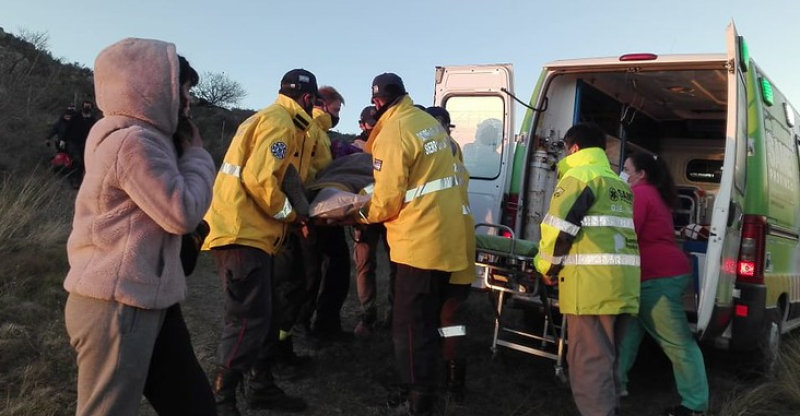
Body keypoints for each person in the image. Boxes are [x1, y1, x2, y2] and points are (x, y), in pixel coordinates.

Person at [63, 38, 217, 416]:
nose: (189, 99)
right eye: (183, 89)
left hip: (150, 299)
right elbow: (180, 211)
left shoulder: (149, 140)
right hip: (117, 305)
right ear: (154, 88)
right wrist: (197, 156)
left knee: (194, 405)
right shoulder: (132, 142)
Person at [202, 68, 318, 416]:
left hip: (251, 234)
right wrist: (291, 215)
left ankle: (261, 387)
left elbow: (285, 174)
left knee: (263, 318)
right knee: (247, 320)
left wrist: (299, 208)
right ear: (308, 99)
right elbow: (260, 180)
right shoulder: (281, 124)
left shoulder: (270, 119)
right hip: (242, 233)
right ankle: (222, 401)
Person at [356, 73, 471, 416]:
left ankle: (418, 400)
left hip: (419, 242)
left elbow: (388, 198)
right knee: (440, 320)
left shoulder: (395, 131)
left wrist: (359, 214)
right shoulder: (429, 124)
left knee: (409, 326)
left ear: (377, 101)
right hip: (450, 239)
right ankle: (442, 382)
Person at [533, 122, 640, 416]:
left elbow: (559, 231)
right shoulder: (619, 184)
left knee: (588, 365)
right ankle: (612, 409)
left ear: (574, 148)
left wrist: (547, 268)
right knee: (609, 361)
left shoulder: (579, 177)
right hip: (624, 285)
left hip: (591, 288)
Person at [618, 153, 709, 416]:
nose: (623, 174)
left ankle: (695, 404)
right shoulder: (653, 194)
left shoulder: (641, 195)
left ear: (641, 174)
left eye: (626, 169)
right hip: (660, 273)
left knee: (678, 342)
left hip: (656, 277)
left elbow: (627, 231)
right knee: (628, 333)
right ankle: (614, 385)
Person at [425, 105, 475, 406]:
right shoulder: (457, 157)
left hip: (439, 246)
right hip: (464, 244)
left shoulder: (433, 158)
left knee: (428, 315)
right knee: (452, 315)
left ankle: (424, 378)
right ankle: (455, 382)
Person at [352, 104, 397, 337]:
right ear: (362, 125)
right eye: (372, 125)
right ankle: (366, 315)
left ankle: (393, 316)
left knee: (397, 265)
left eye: (379, 124)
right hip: (365, 215)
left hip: (391, 213)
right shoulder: (353, 148)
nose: (375, 129)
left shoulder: (393, 142)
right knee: (365, 264)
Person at [62, 100, 98, 188]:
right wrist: (63, 139)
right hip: (73, 142)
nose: (86, 108)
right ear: (82, 107)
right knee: (76, 160)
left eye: (88, 107)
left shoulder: (93, 120)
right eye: (85, 106)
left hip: (85, 143)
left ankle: (79, 181)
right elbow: (68, 128)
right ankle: (72, 178)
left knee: (83, 163)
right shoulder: (75, 117)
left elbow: (95, 132)